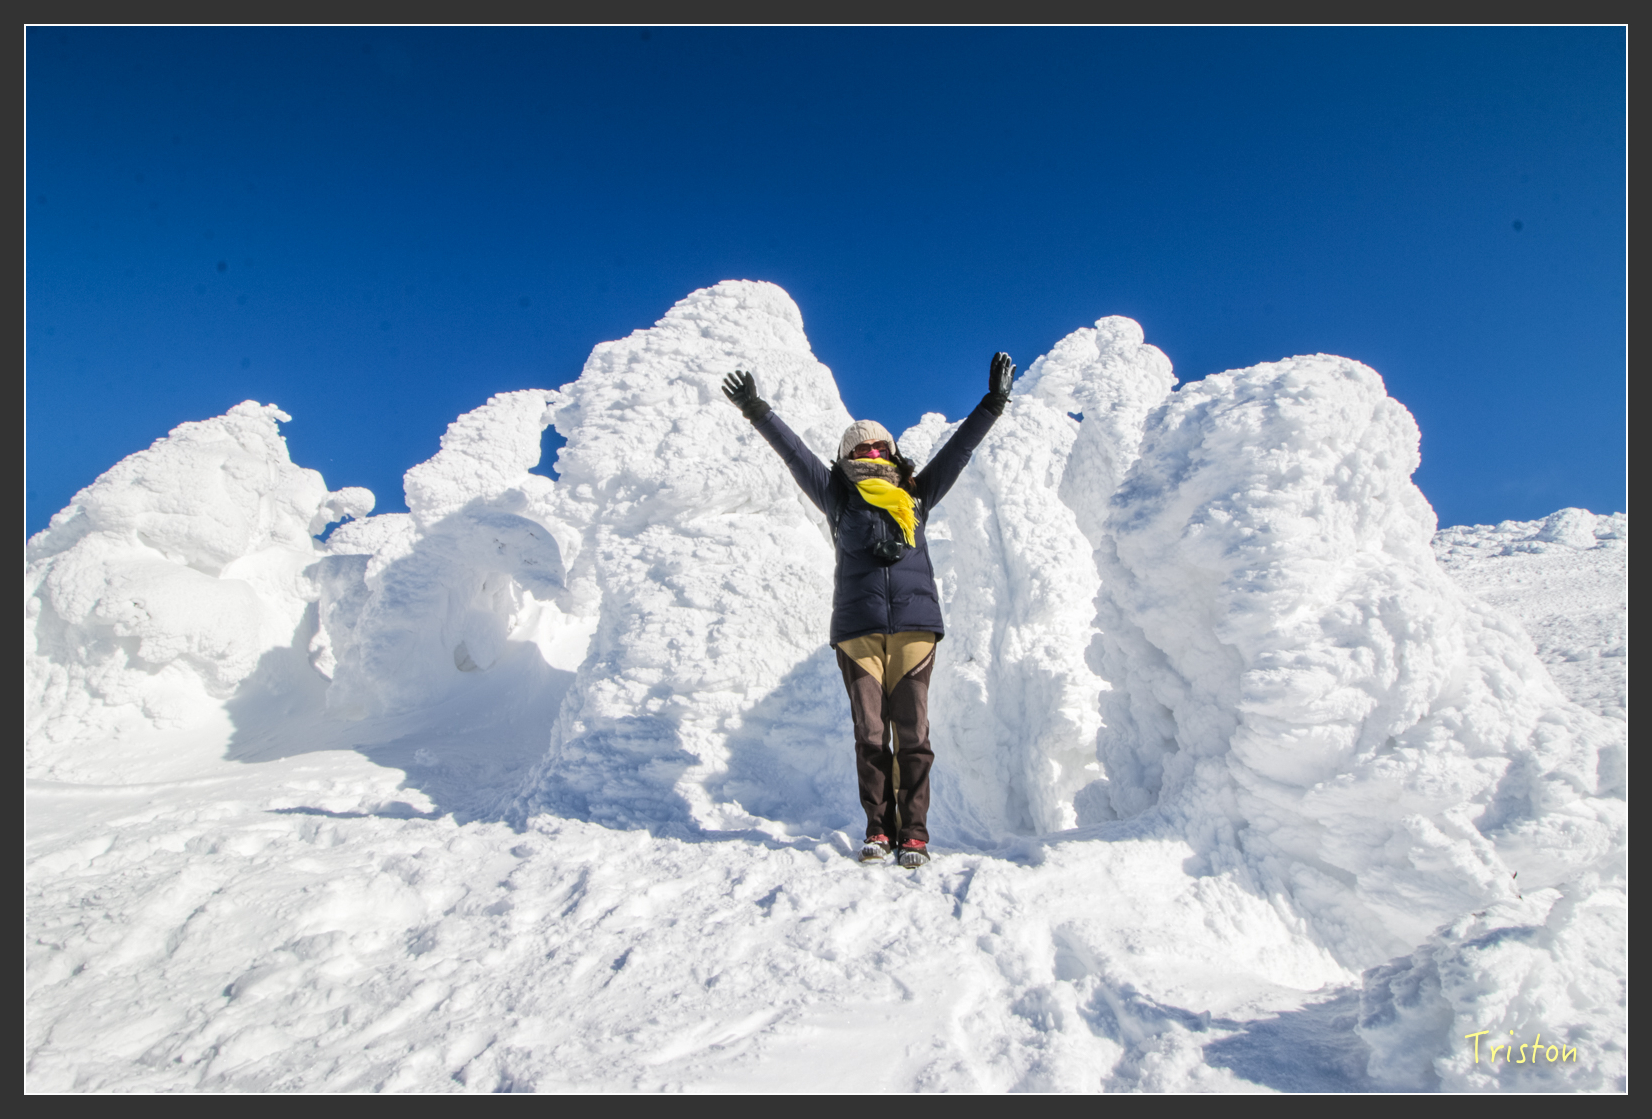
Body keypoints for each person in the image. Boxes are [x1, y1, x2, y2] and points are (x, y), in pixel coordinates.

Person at [721, 353, 1016, 867]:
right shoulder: (838, 497)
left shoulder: (916, 494)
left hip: (916, 629)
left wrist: (993, 403)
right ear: (844, 456)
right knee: (871, 733)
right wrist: (756, 409)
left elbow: (959, 451)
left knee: (914, 735)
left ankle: (916, 833)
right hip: (858, 630)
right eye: (860, 446)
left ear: (893, 451)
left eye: (879, 444)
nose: (871, 451)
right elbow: (794, 456)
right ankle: (879, 830)